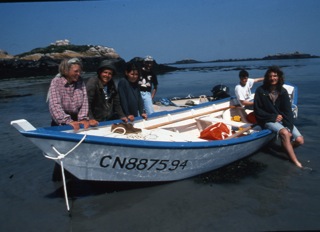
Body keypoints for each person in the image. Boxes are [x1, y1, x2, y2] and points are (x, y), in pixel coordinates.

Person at [254, 66, 304, 168]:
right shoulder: (260, 91)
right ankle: (295, 161)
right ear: (267, 78)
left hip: (282, 119)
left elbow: (288, 112)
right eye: (270, 76)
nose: (273, 78)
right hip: (267, 119)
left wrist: (289, 127)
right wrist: (273, 117)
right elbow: (257, 111)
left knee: (299, 140)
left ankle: (284, 148)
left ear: (279, 77)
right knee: (284, 133)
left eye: (275, 76)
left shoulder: (283, 91)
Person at [48, 58, 97, 131]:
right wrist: (67, 121)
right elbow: (55, 105)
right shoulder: (56, 82)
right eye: (76, 71)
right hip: (61, 124)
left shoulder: (80, 81)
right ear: (66, 71)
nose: (79, 74)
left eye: (80, 71)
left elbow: (84, 102)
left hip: (78, 120)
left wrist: (83, 118)